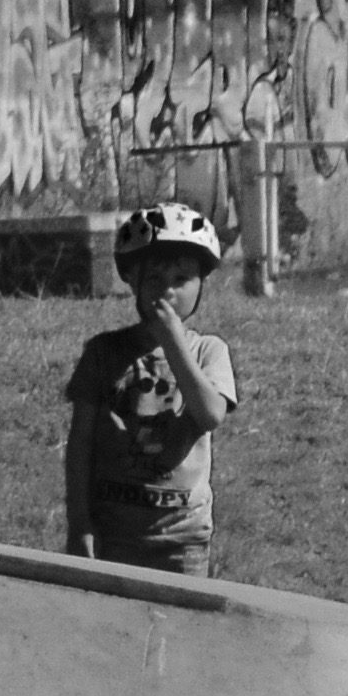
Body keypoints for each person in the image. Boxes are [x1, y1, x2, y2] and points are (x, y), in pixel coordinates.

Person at [63, 202, 240, 577]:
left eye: (182, 279)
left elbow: (210, 414)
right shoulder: (102, 353)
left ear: (201, 285)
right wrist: (80, 523)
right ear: (132, 280)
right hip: (112, 533)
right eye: (156, 279)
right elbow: (80, 443)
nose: (169, 291)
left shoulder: (208, 351)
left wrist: (173, 343)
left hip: (182, 541)